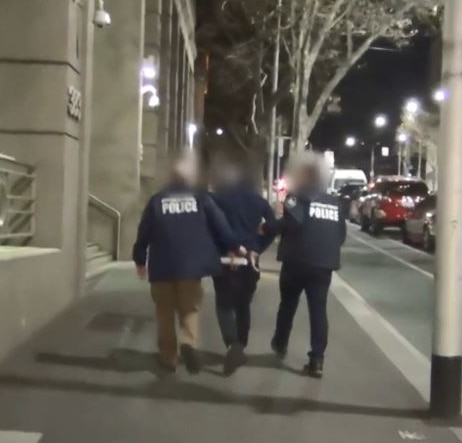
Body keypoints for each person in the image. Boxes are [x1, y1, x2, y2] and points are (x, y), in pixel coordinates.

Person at [133, 151, 246, 375]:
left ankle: (169, 358)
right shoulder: (202, 199)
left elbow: (143, 233)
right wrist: (236, 247)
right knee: (190, 309)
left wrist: (139, 259)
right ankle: (189, 343)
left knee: (164, 311)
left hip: (162, 266)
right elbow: (221, 226)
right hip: (191, 267)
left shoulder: (157, 200)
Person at [264, 152, 346, 378]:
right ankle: (317, 359)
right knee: (318, 311)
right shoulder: (334, 203)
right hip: (324, 264)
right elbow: (340, 235)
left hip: (297, 261)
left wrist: (267, 228)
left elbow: (291, 223)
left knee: (288, 303)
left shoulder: (297, 197)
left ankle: (280, 343)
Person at [210, 160, 277, 375]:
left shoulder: (217, 199)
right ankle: (242, 345)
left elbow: (210, 227)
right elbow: (273, 227)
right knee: (243, 305)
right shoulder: (259, 201)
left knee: (223, 305)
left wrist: (222, 248)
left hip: (225, 260)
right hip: (250, 260)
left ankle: (233, 345)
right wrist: (257, 248)